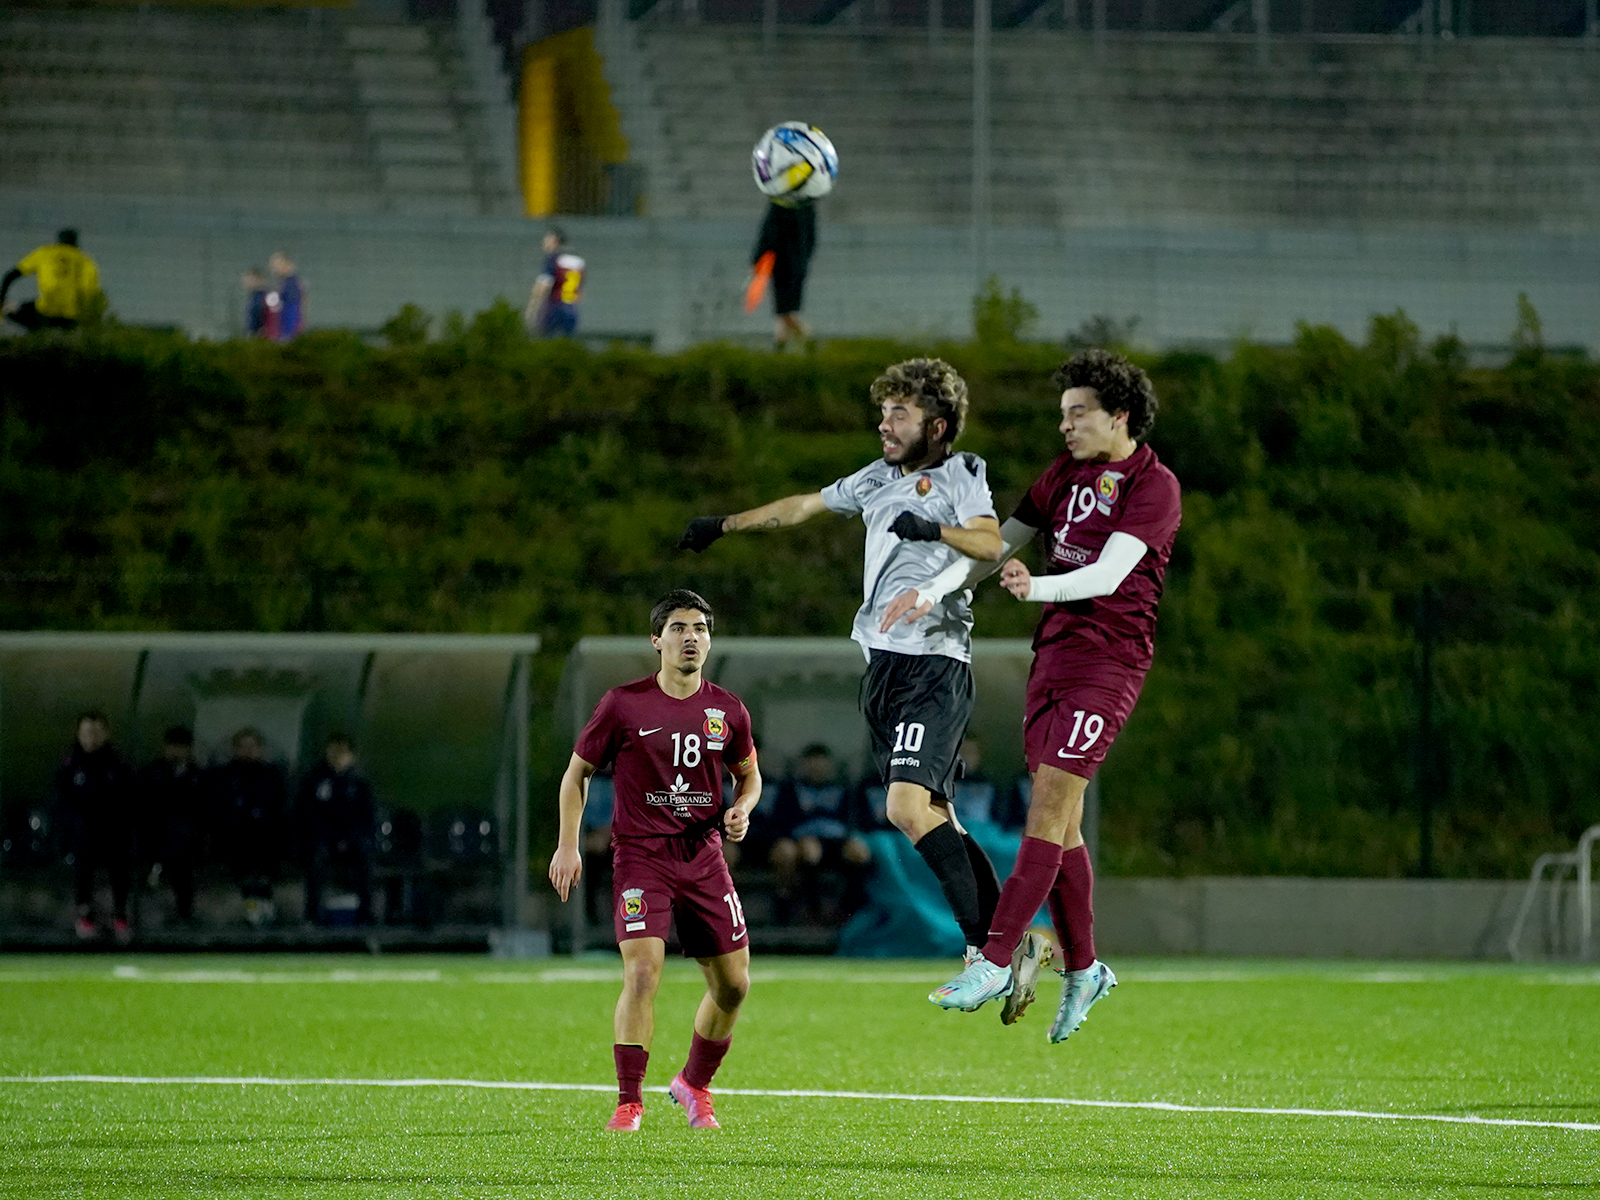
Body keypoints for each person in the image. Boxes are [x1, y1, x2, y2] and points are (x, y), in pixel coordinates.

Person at [677, 357, 1005, 971]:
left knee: (905, 809)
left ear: (936, 425)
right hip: (883, 668)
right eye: (883, 412)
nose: (885, 424)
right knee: (939, 815)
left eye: (899, 413)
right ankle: (1003, 940)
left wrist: (933, 531)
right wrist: (724, 524)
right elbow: (803, 506)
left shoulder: (961, 473)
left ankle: (982, 953)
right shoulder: (877, 477)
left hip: (932, 662)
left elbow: (990, 542)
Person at [928, 348, 1182, 1040]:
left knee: (1048, 805)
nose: (1065, 427)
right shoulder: (1064, 476)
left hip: (1109, 664)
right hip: (1054, 662)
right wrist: (930, 594)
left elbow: (1107, 574)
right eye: (1062, 415)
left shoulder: (1153, 484)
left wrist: (1032, 587)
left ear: (1119, 416)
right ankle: (1087, 968)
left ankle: (995, 957)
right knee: (1063, 825)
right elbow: (999, 546)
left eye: (1079, 414)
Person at [549, 590, 763, 1133]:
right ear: (657, 640)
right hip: (642, 857)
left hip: (703, 856)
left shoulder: (728, 709)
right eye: (678, 628)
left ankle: (693, 1084)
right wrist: (568, 844)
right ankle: (628, 1101)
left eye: (699, 628)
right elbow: (577, 774)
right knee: (643, 971)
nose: (690, 637)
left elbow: (749, 775)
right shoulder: (623, 703)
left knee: (735, 986)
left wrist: (741, 808)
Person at [767, 743, 870, 924]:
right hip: (805, 840)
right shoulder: (791, 789)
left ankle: (848, 909)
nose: (816, 767)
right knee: (810, 851)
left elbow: (851, 821)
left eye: (821, 763)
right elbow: (783, 821)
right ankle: (813, 908)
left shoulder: (842, 789)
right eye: (811, 763)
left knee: (859, 853)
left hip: (837, 840)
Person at [54, 711, 135, 941]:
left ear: (106, 734)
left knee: (120, 860)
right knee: (82, 857)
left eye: (97, 732)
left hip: (111, 829)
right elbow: (61, 802)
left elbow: (129, 799)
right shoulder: (69, 764)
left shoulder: (118, 763)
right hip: (82, 830)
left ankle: (120, 913)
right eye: (88, 733)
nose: (92, 738)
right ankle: (85, 912)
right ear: (79, 735)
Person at [210, 728, 288, 927]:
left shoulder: (272, 775)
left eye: (252, 746)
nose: (247, 751)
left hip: (267, 836)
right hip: (235, 836)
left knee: (267, 854)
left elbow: (279, 808)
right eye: (243, 747)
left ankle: (265, 909)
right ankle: (253, 912)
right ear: (235, 749)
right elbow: (220, 809)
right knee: (243, 858)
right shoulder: (225, 776)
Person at [297, 733, 376, 925]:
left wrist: (349, 838)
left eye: (343, 751)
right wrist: (329, 837)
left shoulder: (360, 783)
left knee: (365, 856)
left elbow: (366, 816)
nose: (337, 756)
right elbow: (308, 815)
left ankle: (365, 914)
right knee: (317, 858)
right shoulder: (314, 779)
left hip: (352, 841)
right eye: (334, 750)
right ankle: (313, 915)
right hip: (323, 840)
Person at [138, 726, 207, 925]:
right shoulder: (151, 773)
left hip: (189, 839)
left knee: (182, 840)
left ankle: (159, 868)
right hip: (155, 834)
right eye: (172, 746)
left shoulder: (198, 776)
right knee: (175, 840)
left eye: (181, 747)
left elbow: (202, 810)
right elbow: (146, 807)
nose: (176, 751)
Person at [0, 229, 100, 332]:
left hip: (45, 313)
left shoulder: (46, 252)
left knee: (11, 309)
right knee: (30, 305)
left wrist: (1, 299)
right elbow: (91, 294)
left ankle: (36, 336)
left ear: (58, 241)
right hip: (73, 319)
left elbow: (10, 276)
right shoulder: (87, 261)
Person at [751, 198, 815, 347]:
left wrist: (758, 259)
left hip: (782, 262)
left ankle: (804, 337)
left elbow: (768, 234)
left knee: (785, 310)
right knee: (785, 309)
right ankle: (783, 342)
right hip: (797, 261)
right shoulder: (806, 206)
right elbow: (811, 238)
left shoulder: (780, 205)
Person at [524, 228, 584, 338]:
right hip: (572, 308)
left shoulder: (553, 259)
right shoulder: (577, 261)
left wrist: (532, 310)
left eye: (547, 240)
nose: (544, 243)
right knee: (567, 344)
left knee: (545, 341)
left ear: (555, 241)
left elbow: (543, 286)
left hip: (554, 307)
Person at [269, 251, 304, 340]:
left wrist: (287, 334)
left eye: (277, 265)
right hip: (283, 328)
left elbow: (292, 308)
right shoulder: (284, 283)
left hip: (288, 330)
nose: (274, 269)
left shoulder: (291, 285)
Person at [241, 268, 276, 339]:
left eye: (250, 279)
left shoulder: (265, 296)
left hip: (262, 335)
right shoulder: (253, 297)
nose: (246, 282)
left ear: (259, 280)